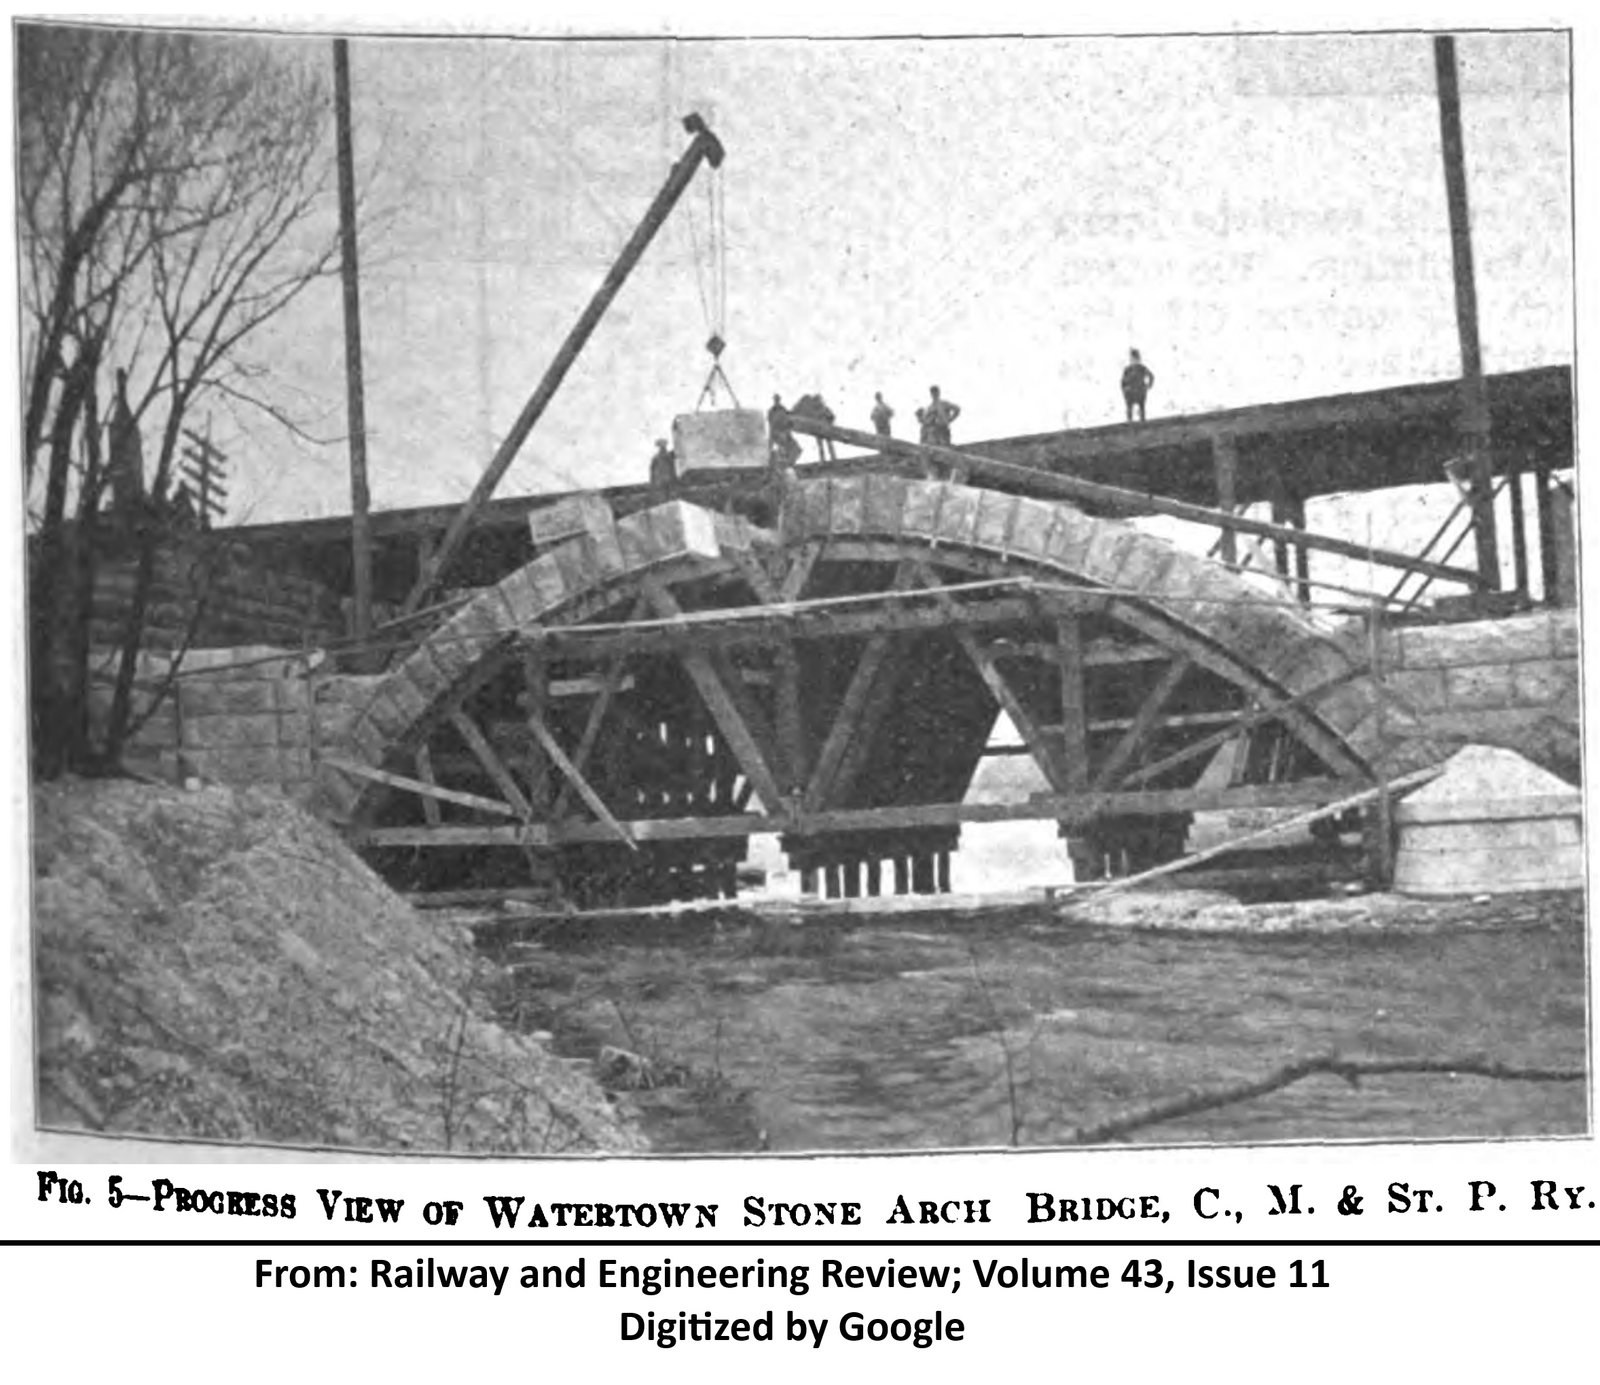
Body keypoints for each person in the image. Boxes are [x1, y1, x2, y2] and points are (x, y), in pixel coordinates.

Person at [790, 392, 837, 461]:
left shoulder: (824, 409)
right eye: (816, 401)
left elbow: (832, 416)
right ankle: (823, 459)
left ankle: (832, 458)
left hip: (826, 430)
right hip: (819, 430)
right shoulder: (816, 411)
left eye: (818, 400)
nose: (817, 402)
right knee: (821, 446)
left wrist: (829, 423)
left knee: (828, 445)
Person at [1121, 349, 1155, 423]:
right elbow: (1123, 382)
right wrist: (1125, 391)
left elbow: (1151, 376)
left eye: (1135, 358)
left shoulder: (1141, 368)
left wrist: (1148, 386)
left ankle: (1141, 422)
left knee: (1141, 409)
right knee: (1130, 409)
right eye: (1133, 359)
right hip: (1132, 393)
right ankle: (1131, 422)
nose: (1134, 361)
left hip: (1140, 392)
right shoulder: (1128, 369)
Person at [768, 394, 801, 469]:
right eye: (776, 399)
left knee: (797, 450)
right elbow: (771, 424)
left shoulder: (783, 409)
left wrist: (788, 429)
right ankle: (782, 466)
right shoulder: (772, 411)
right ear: (774, 400)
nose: (777, 401)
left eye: (778, 399)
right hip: (777, 434)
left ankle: (787, 465)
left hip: (785, 433)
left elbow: (789, 420)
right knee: (781, 452)